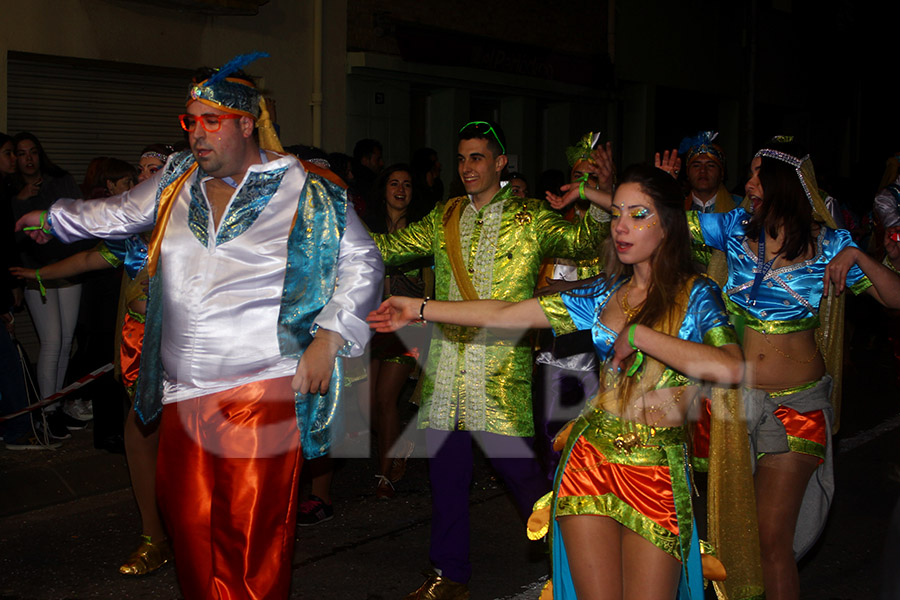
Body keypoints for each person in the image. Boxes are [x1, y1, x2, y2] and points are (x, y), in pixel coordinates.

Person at [17, 54, 383, 599]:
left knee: (250, 540)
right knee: (191, 534)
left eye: (210, 121)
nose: (196, 134)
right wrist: (54, 217)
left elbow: (363, 261)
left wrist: (330, 336)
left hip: (262, 390)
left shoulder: (306, 188)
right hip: (182, 393)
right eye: (190, 121)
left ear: (244, 122)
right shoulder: (175, 181)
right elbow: (116, 214)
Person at [369, 164, 750, 600]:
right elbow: (506, 314)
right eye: (619, 213)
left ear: (668, 225)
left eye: (639, 215)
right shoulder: (603, 294)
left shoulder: (697, 294)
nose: (622, 226)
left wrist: (641, 335)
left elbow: (731, 367)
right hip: (589, 463)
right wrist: (418, 308)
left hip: (654, 470)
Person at [371, 120, 610, 599]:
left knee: (527, 483)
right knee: (447, 481)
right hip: (445, 375)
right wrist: (327, 227)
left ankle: (580, 568)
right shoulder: (445, 216)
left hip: (501, 379)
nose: (466, 168)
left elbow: (584, 243)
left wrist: (601, 192)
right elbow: (388, 249)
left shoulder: (531, 216)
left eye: (477, 157)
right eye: (461, 159)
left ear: (501, 163)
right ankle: (448, 573)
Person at [11, 132, 87, 438]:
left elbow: (79, 217)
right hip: (33, 273)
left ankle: (56, 406)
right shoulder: (10, 189)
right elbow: (12, 237)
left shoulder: (61, 179)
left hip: (67, 268)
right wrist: (20, 202)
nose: (28, 159)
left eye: (32, 152)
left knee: (67, 341)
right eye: (20, 153)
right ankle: (46, 411)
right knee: (52, 341)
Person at [363, 163, 431, 499]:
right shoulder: (368, 231)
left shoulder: (422, 233)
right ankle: (399, 445)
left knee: (386, 399)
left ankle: (384, 477)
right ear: (384, 189)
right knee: (370, 406)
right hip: (371, 325)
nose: (400, 190)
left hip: (408, 328)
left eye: (407, 184)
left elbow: (432, 290)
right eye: (394, 183)